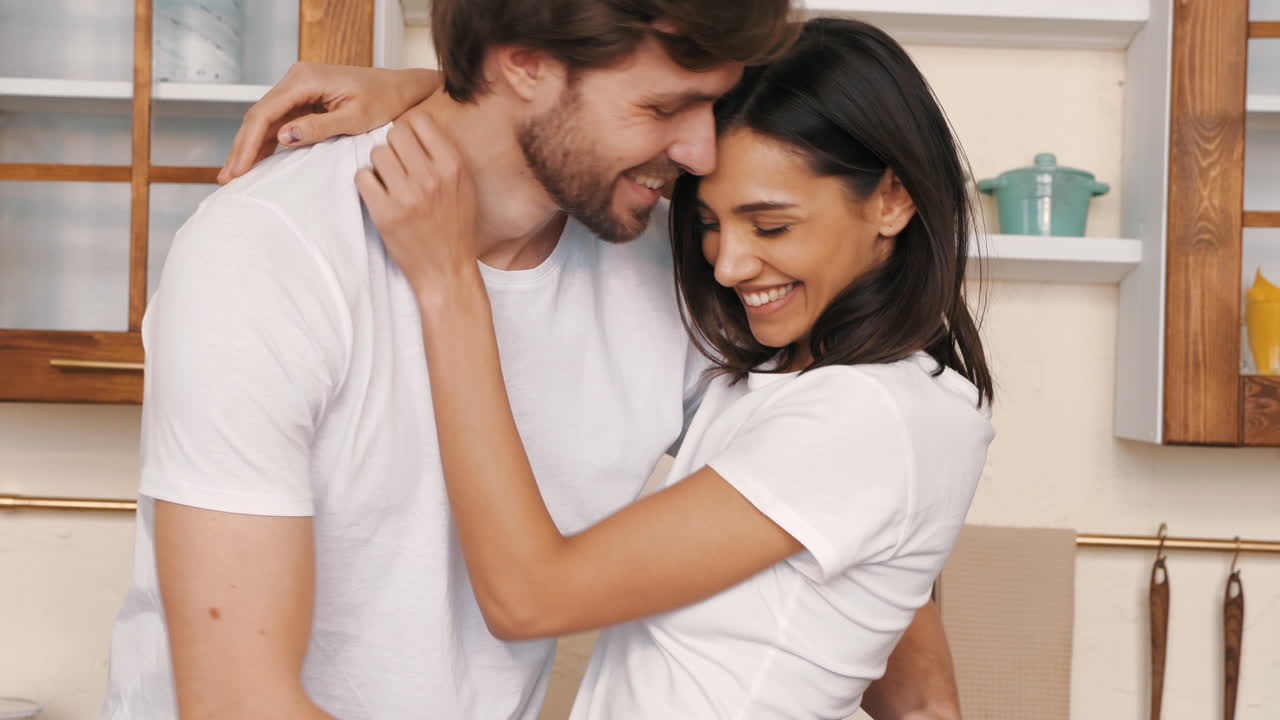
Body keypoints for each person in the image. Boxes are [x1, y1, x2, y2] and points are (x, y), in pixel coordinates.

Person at [228, 15, 993, 720]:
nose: (727, 264)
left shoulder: (870, 415)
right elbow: (910, 674)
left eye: (771, 224)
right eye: (705, 223)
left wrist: (447, 280)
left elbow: (529, 596)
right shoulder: (826, 384)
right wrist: (432, 90)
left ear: (893, 201)